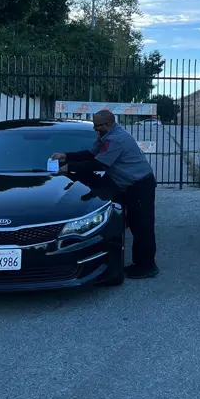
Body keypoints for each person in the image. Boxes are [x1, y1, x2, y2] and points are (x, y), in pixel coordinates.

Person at [51, 109, 159, 279]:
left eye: (98, 126)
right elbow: (91, 153)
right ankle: (132, 260)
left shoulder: (117, 139)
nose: (95, 129)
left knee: (142, 226)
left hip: (139, 185)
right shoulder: (106, 135)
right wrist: (66, 156)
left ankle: (146, 266)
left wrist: (69, 167)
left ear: (109, 124)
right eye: (94, 125)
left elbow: (98, 164)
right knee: (126, 221)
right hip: (125, 183)